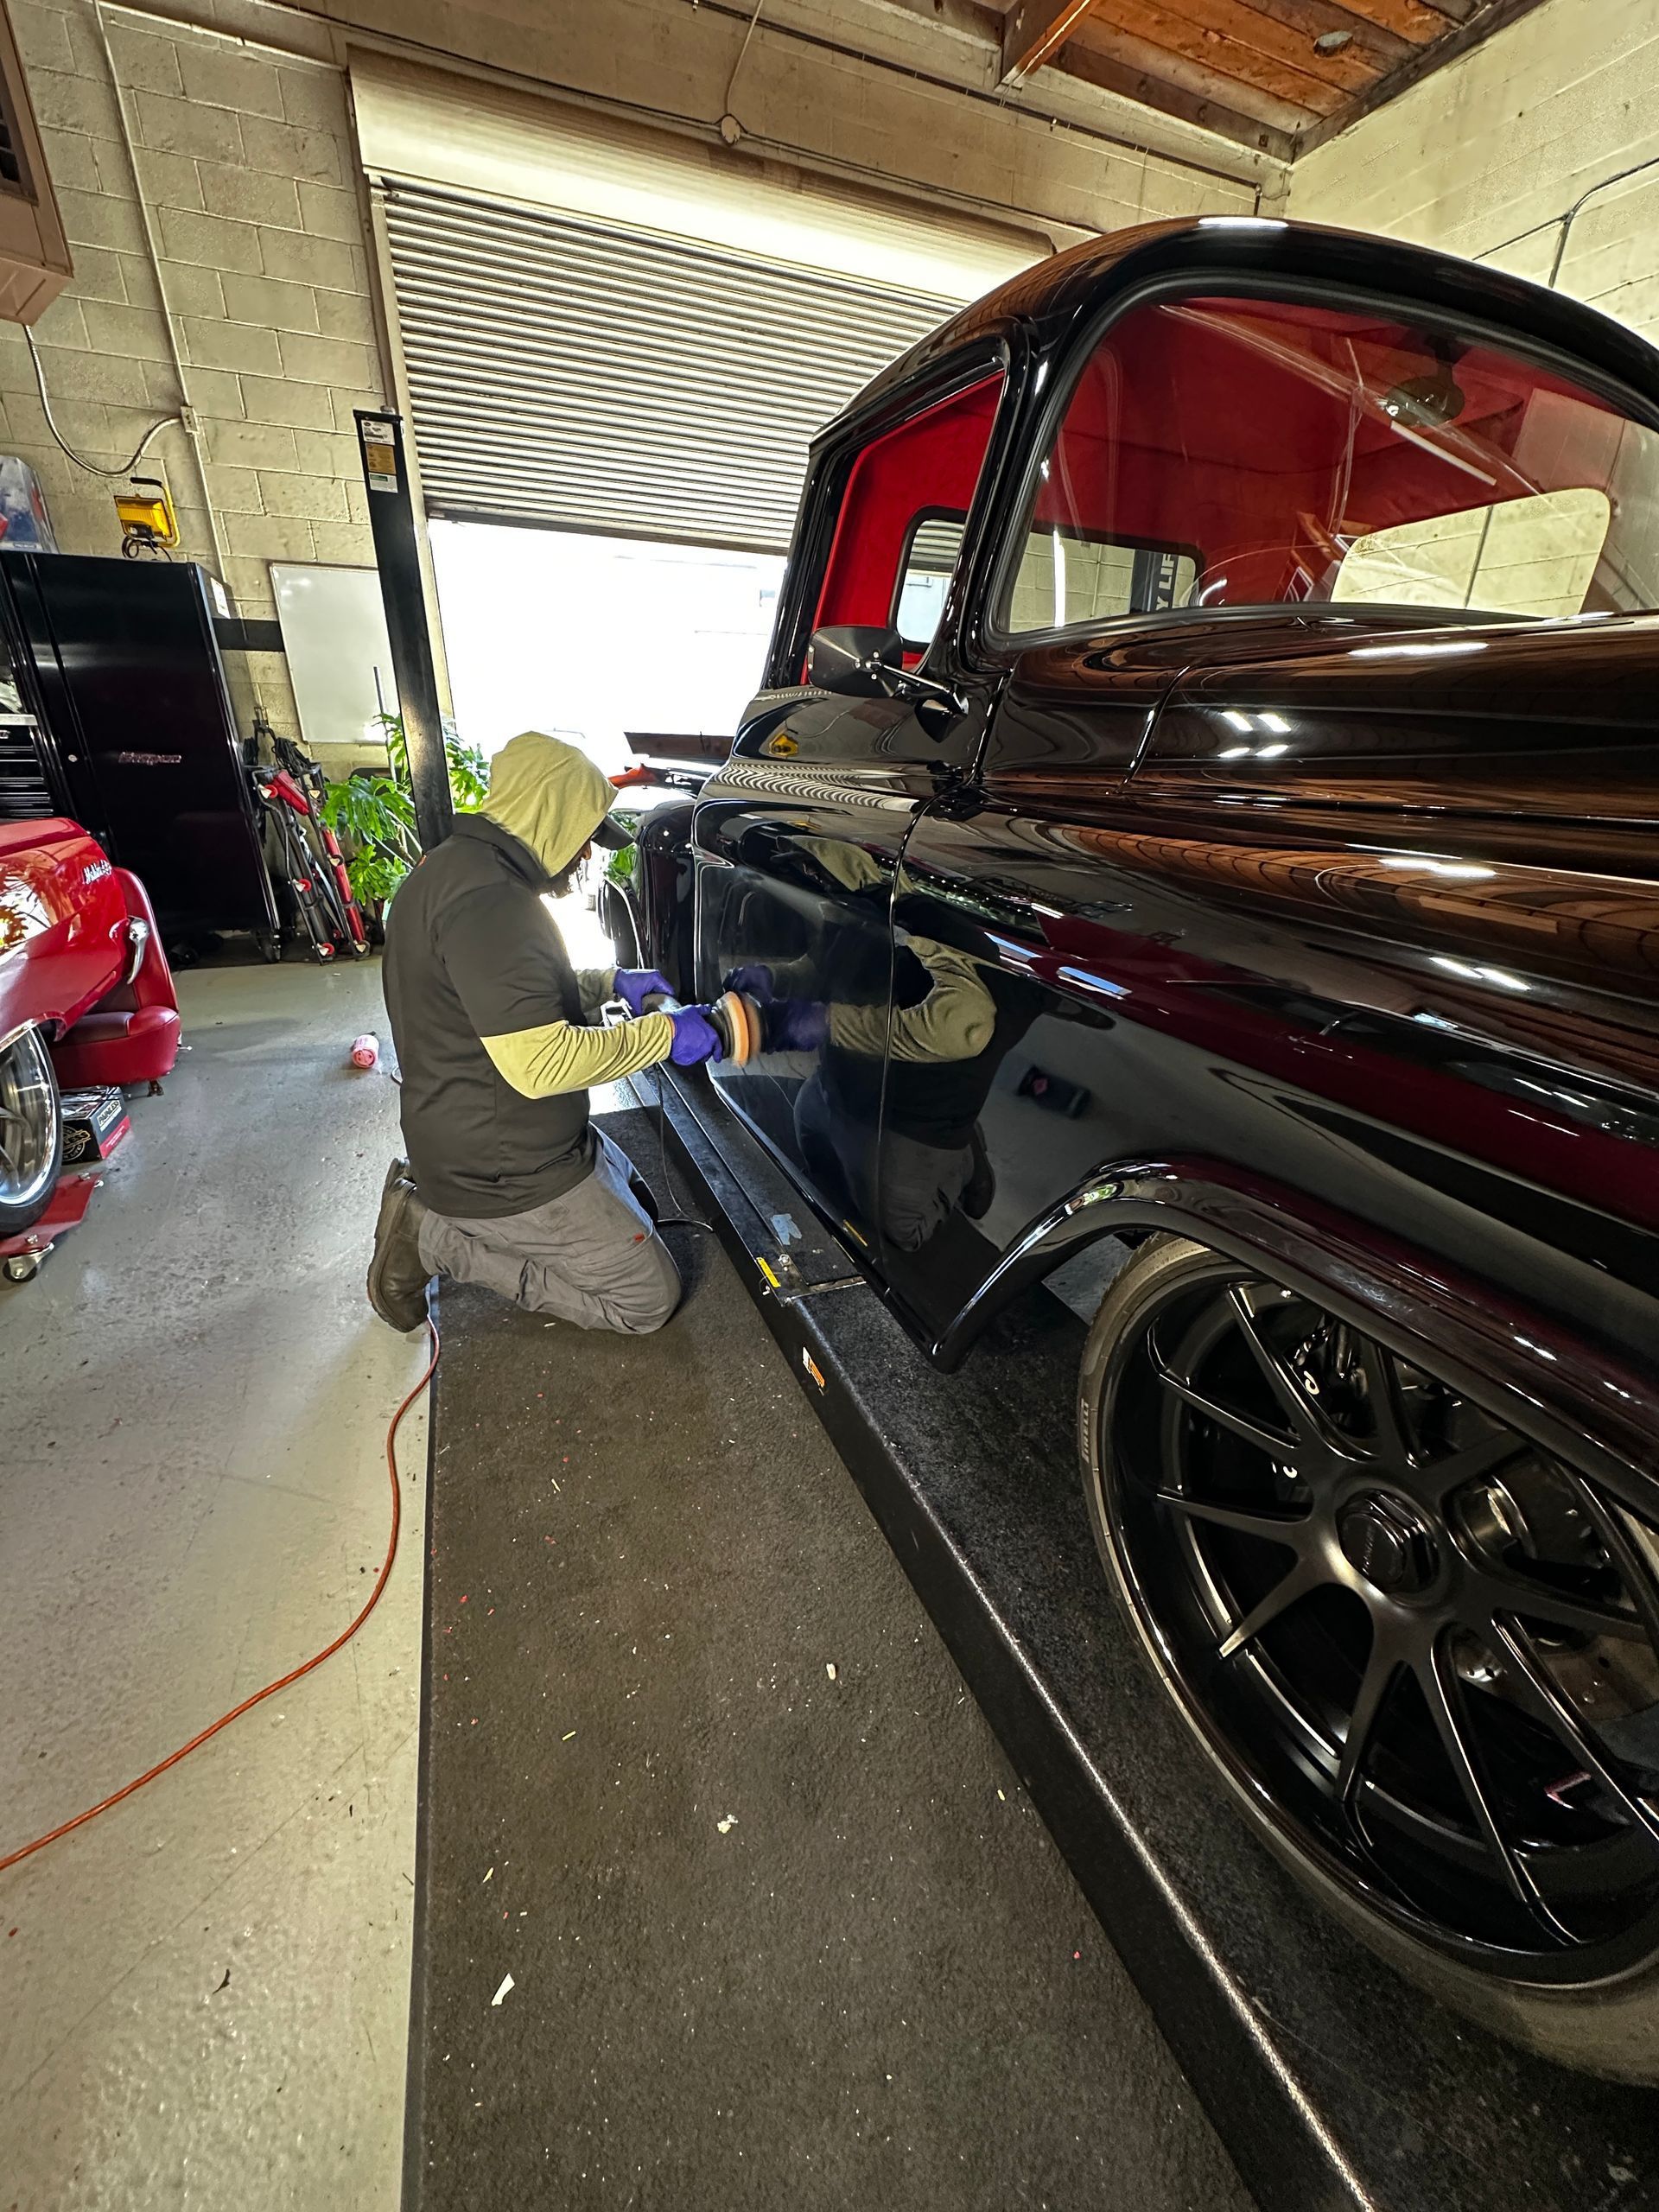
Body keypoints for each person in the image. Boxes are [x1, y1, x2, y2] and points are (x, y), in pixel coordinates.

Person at [366, 729, 724, 1335]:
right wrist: (665, 1035)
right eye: (586, 839)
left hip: (481, 1135)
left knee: (641, 1206)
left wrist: (610, 983)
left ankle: (467, 1212)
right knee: (647, 1299)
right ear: (551, 815)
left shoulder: (457, 871)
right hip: (501, 1171)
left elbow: (500, 999)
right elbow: (543, 1064)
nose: (587, 857)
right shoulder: (493, 905)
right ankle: (433, 1236)